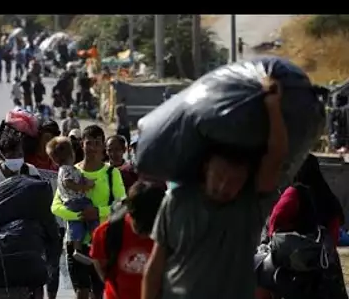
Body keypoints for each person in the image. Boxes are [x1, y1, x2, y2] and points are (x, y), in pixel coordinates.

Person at [142, 77, 288, 299]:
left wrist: (272, 106)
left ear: (247, 179)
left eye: (233, 181)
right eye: (219, 176)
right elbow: (155, 268)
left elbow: (275, 157)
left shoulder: (250, 205)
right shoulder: (177, 200)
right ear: (205, 167)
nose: (223, 186)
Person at [257, 154, 348, 299]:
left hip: (293, 260)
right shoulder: (327, 196)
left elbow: (274, 223)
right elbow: (334, 232)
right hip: (323, 262)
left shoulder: (293, 193)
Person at [51, 125, 126, 299]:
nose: (92, 148)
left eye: (97, 143)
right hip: (75, 244)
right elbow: (55, 206)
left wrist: (98, 212)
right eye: (88, 143)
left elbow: (122, 204)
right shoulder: (69, 171)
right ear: (82, 145)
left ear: (102, 147)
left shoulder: (111, 173)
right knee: (81, 293)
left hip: (102, 243)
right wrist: (79, 215)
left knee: (99, 294)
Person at [90, 181, 165, 299]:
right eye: (141, 225)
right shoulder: (107, 232)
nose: (145, 234)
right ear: (130, 213)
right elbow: (102, 268)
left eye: (151, 227)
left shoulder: (173, 233)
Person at [46, 137, 95, 258]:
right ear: (70, 155)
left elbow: (80, 177)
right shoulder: (66, 169)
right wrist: (82, 187)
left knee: (76, 224)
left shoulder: (71, 169)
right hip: (76, 201)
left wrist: (89, 181)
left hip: (72, 202)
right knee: (91, 217)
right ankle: (93, 241)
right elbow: (68, 183)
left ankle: (78, 249)